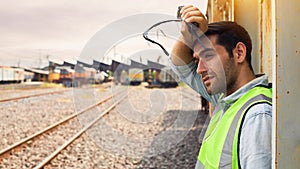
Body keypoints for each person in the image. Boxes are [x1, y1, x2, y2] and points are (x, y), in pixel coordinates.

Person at [169, 5, 272, 169]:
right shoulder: (224, 99)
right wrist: (187, 38)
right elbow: (179, 64)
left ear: (239, 53)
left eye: (208, 56)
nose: (200, 69)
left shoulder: (257, 115)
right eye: (197, 61)